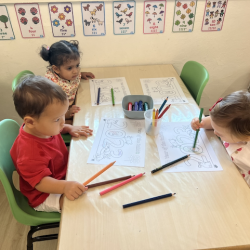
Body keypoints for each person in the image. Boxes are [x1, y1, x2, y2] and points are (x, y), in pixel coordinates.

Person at [10, 75, 93, 212]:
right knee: (81, 207)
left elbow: (57, 126)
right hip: (44, 194)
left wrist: (68, 128)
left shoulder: (40, 128)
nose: (62, 122)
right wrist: (65, 187)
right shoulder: (29, 153)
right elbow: (41, 183)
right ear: (30, 122)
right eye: (57, 119)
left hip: (61, 175)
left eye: (63, 116)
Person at [191, 90, 250, 186]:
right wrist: (201, 123)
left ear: (245, 137)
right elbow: (216, 122)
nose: (214, 132)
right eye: (214, 127)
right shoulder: (229, 124)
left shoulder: (246, 157)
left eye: (220, 134)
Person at [40, 40, 95, 123]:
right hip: (56, 118)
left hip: (69, 106)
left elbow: (72, 77)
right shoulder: (53, 88)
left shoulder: (67, 75)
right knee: (85, 119)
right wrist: (67, 114)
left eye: (77, 65)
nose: (76, 71)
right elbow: (51, 113)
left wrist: (81, 74)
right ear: (56, 69)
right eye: (70, 68)